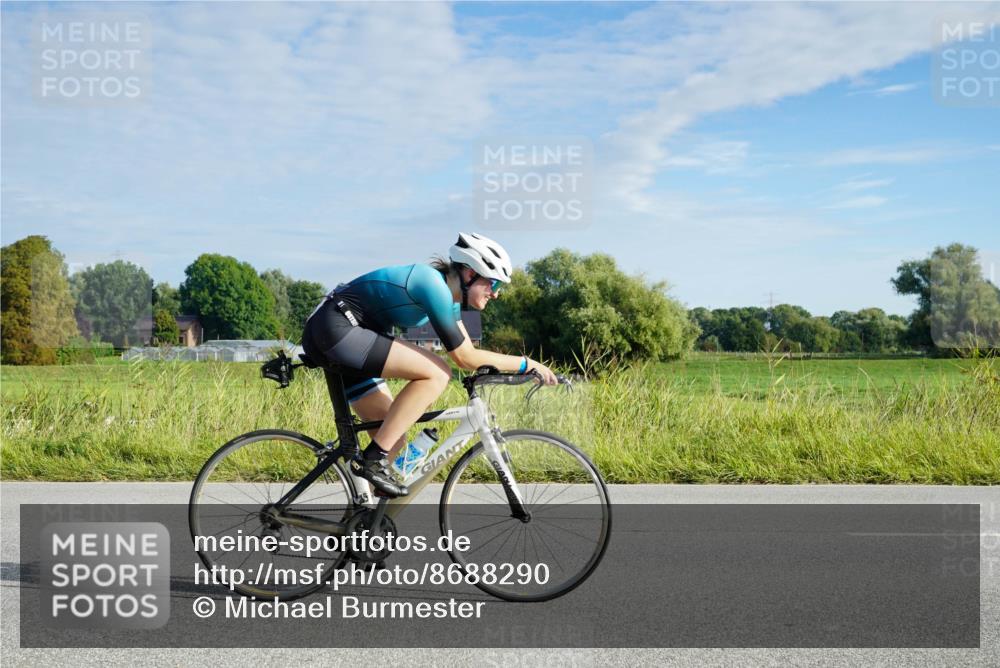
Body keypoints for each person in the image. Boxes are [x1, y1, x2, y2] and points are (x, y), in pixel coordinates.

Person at [302, 232, 558, 498]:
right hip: (338, 330)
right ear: (470, 274)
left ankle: (359, 525)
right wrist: (527, 364)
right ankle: (371, 462)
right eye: (493, 283)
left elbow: (470, 352)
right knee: (438, 373)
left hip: (342, 335)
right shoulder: (431, 285)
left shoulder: (448, 300)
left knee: (392, 437)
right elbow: (464, 359)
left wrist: (516, 368)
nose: (496, 294)